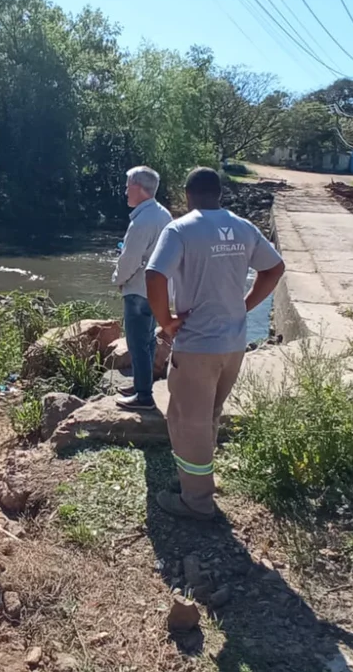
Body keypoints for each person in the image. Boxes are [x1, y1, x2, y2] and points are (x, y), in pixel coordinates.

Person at [145, 167, 285, 520]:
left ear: (188, 194)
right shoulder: (243, 227)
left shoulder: (180, 229)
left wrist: (166, 322)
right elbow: (274, 268)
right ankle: (201, 480)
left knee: (185, 420)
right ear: (219, 194)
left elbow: (154, 274)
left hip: (197, 345)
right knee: (209, 414)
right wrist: (244, 305)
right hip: (234, 343)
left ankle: (196, 501)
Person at [111, 166, 172, 411]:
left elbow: (130, 260)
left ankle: (143, 396)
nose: (125, 190)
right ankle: (140, 384)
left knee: (137, 342)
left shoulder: (142, 221)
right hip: (157, 290)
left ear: (139, 188)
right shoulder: (162, 214)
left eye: (128, 185)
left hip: (138, 289)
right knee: (146, 340)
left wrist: (118, 279)